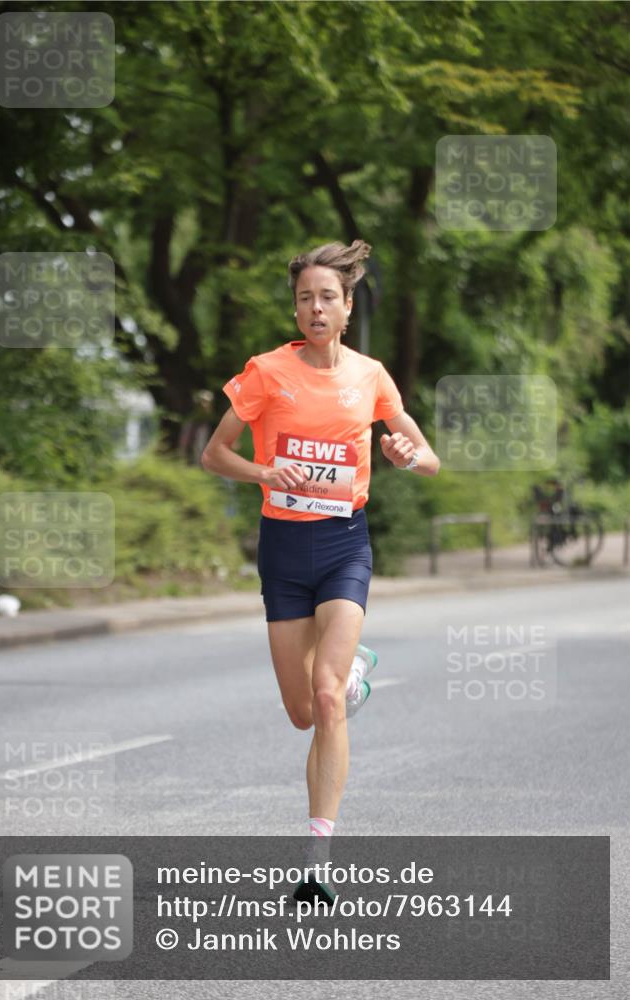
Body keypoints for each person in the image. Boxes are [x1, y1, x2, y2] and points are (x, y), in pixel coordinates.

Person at [201, 239, 440, 903]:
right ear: (296, 306)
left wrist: (403, 456)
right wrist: (261, 469)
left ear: (345, 306)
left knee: (329, 695)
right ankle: (357, 668)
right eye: (304, 297)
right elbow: (214, 454)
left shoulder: (370, 376)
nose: (314, 307)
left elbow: (427, 457)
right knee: (303, 711)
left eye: (326, 297)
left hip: (344, 545)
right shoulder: (265, 372)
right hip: (282, 550)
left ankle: (316, 859)